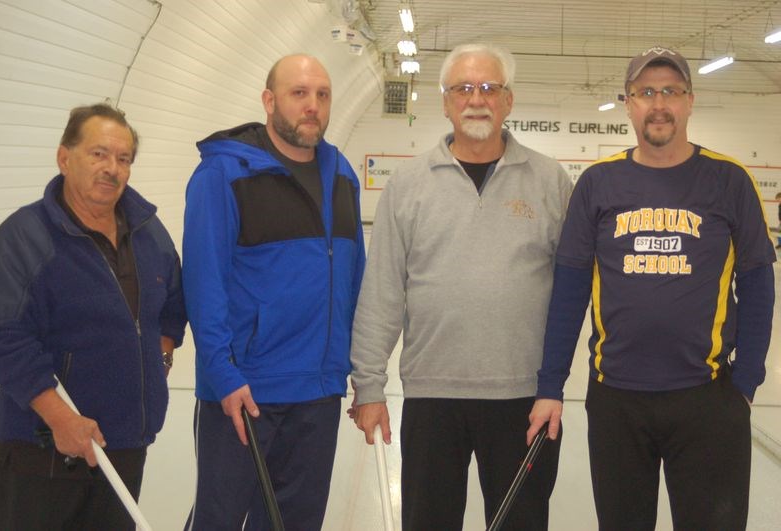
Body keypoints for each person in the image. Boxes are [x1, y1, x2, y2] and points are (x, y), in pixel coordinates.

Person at [528, 46, 776, 531]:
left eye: (670, 91)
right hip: (616, 399)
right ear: (628, 103)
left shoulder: (729, 180)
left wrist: (744, 384)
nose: (658, 103)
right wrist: (549, 386)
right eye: (645, 92)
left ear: (689, 100)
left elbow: (758, 285)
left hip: (707, 399)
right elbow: (570, 292)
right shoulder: (598, 184)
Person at [350, 43, 571, 531]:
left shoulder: (551, 183)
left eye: (490, 88)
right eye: (464, 89)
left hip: (524, 399)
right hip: (433, 397)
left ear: (508, 102)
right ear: (445, 102)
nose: (477, 99)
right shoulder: (408, 184)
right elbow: (382, 291)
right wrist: (369, 385)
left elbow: (571, 295)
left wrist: (556, 384)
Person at [0, 103, 187, 530]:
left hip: (125, 447)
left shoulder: (148, 231)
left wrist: (160, 357)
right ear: (64, 157)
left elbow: (173, 303)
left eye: (123, 158)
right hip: (43, 456)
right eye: (98, 154)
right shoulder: (26, 236)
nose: (112, 168)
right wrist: (61, 419)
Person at [182, 53, 365, 530]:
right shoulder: (223, 174)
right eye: (299, 94)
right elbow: (205, 283)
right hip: (246, 391)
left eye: (322, 95)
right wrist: (222, 374)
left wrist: (353, 370)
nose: (313, 106)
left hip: (319, 391)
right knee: (218, 520)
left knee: (295, 523)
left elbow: (354, 279)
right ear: (269, 101)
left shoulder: (342, 175)